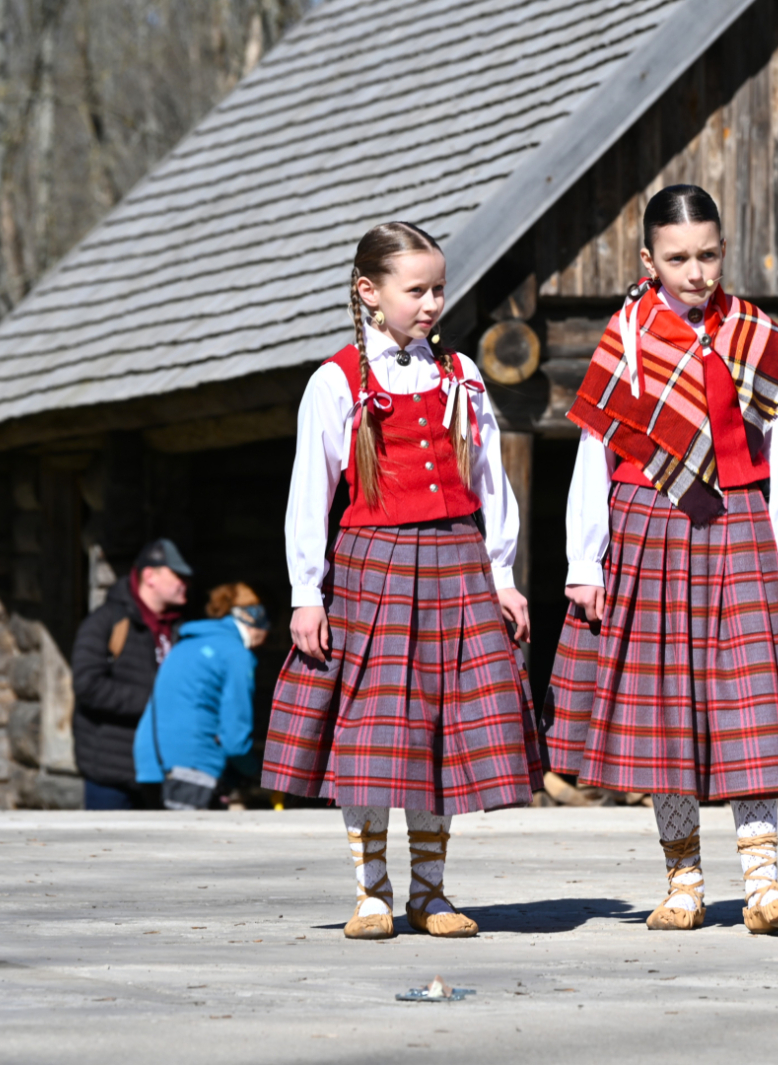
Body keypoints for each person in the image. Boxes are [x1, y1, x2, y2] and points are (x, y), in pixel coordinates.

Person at [546, 185, 778, 935]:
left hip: (739, 522)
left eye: (708, 255)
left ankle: (763, 884)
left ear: (722, 250)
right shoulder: (627, 336)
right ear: (649, 259)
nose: (695, 271)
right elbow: (594, 454)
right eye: (678, 258)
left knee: (747, 700)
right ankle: (684, 881)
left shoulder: (752, 332)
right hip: (647, 530)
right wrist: (585, 560)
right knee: (667, 710)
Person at [262, 221, 541, 941]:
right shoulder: (337, 381)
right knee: (373, 730)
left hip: (454, 563)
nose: (430, 302)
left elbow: (491, 483)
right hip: (372, 564)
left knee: (442, 725)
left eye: (438, 288)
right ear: (369, 291)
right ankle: (371, 890)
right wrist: (305, 591)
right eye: (415, 289)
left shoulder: (461, 375)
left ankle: (432, 889)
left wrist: (502, 575)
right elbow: (308, 493)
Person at [71, 538, 191, 810]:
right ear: (150, 576)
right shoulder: (105, 621)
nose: (185, 583)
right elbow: (87, 684)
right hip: (111, 772)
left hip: (162, 770)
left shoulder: (181, 627)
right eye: (177, 575)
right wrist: (154, 703)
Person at [133, 583, 269, 811]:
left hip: (149, 762)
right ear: (255, 620)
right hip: (192, 767)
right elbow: (235, 740)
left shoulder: (185, 643)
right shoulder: (236, 654)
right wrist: (259, 774)